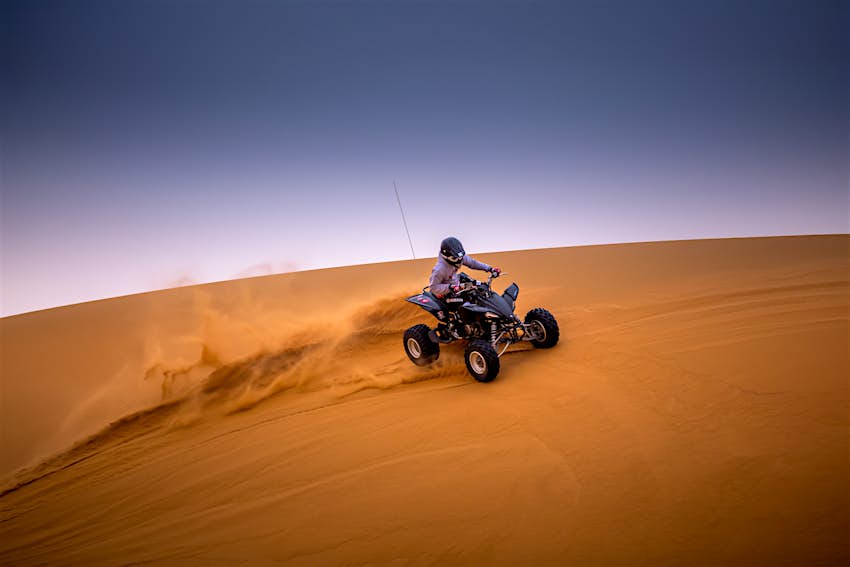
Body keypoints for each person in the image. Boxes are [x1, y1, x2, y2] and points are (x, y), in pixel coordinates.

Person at [429, 236, 501, 299]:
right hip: (447, 293)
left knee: (480, 286)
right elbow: (433, 287)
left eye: (460, 258)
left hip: (458, 284)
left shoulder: (457, 256)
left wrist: (489, 268)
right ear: (446, 257)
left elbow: (472, 263)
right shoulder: (440, 269)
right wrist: (450, 287)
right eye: (455, 259)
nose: (459, 260)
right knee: (468, 307)